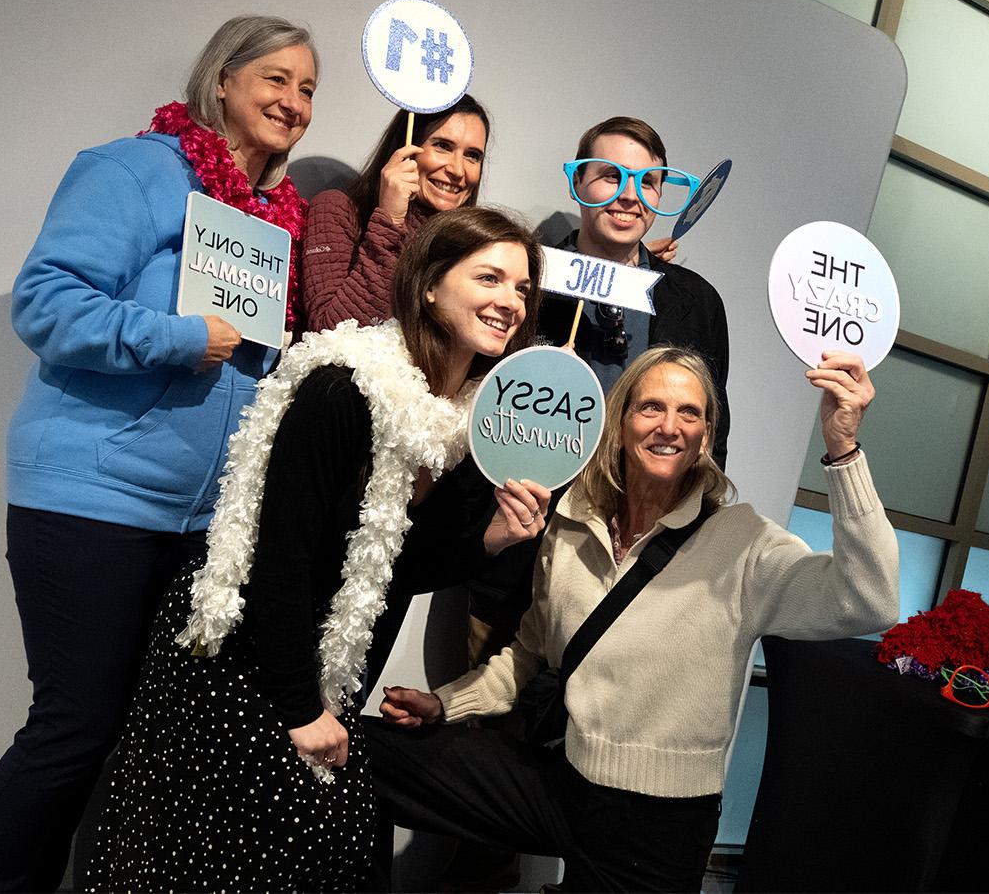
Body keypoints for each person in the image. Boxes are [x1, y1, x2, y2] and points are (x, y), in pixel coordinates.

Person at [0, 15, 319, 893]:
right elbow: (43, 301)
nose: (294, 102)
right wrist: (177, 336)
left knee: (145, 737)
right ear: (220, 79)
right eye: (275, 78)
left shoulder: (274, 217)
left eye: (308, 89)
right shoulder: (133, 169)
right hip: (91, 494)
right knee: (75, 725)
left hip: (199, 521)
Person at [84, 207, 550, 892]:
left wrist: (492, 539)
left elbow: (398, 568)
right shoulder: (341, 387)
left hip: (318, 664)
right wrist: (302, 708)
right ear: (427, 284)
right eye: (490, 276)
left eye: (522, 287)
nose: (509, 300)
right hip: (237, 657)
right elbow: (284, 560)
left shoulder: (465, 424)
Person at [371, 345, 901, 892]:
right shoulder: (571, 522)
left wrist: (843, 450)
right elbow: (529, 656)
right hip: (562, 781)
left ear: (705, 436)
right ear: (620, 422)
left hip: (659, 827)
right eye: (651, 408)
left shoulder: (745, 544)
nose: (669, 426)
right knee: (357, 755)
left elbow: (869, 600)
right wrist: (446, 704)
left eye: (689, 412)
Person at [539, 116, 732, 467]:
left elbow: (711, 434)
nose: (629, 196)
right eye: (612, 176)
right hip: (535, 502)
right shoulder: (528, 283)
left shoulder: (699, 302)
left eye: (647, 182)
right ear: (576, 182)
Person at [301, 94, 491, 333]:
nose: (457, 170)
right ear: (405, 146)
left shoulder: (478, 248)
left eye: (472, 155)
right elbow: (332, 334)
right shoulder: (338, 210)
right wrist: (389, 222)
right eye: (443, 146)